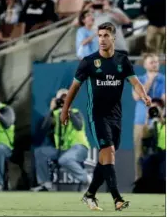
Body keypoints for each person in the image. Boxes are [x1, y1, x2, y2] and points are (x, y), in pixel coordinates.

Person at [62, 22, 151, 211]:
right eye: (99, 35)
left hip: (116, 116)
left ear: (113, 38)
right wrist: (65, 109)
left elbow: (134, 82)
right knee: (108, 151)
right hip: (97, 115)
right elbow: (74, 87)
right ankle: (117, 198)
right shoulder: (88, 62)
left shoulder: (122, 61)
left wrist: (143, 94)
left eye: (105, 36)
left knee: (105, 158)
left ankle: (90, 194)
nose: (101, 39)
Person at [32, 89, 90, 192]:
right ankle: (45, 184)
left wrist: (68, 110)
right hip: (62, 149)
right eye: (62, 99)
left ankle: (86, 179)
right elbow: (44, 128)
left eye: (66, 98)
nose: (64, 101)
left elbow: (79, 126)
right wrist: (51, 110)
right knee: (40, 152)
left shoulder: (76, 113)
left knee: (64, 159)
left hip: (79, 148)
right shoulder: (55, 115)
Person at [133, 53, 166, 181]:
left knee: (161, 152)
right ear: (145, 65)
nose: (155, 64)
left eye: (156, 62)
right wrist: (151, 80)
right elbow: (137, 96)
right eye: (152, 62)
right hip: (141, 121)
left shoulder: (164, 79)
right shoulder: (139, 79)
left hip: (160, 121)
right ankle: (139, 181)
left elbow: (165, 99)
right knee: (139, 153)